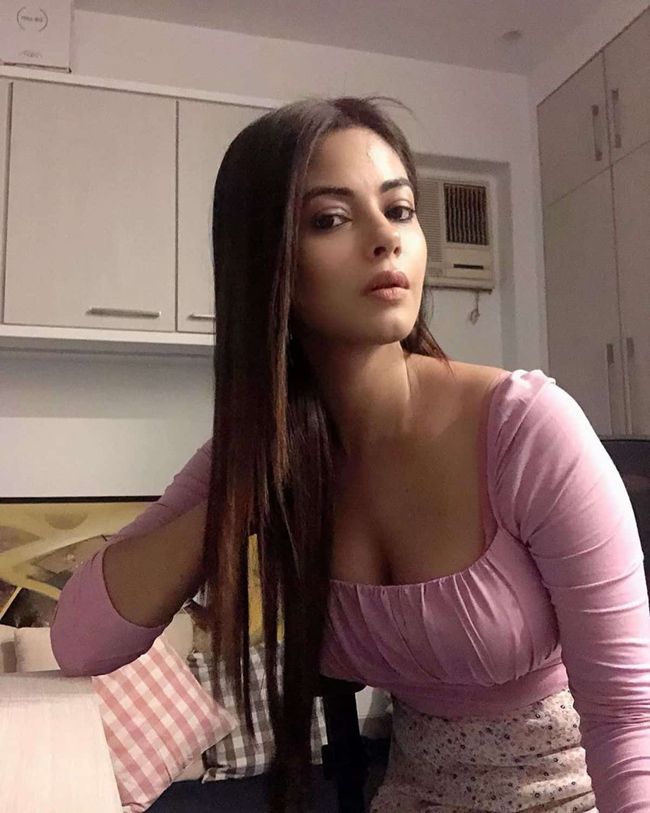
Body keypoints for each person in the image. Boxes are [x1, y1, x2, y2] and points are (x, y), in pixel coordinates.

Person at [50, 96, 650, 812]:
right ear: (267, 260)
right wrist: (239, 501)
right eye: (331, 219)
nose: (385, 238)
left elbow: (628, 719)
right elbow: (80, 644)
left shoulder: (525, 428)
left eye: (399, 210)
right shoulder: (254, 457)